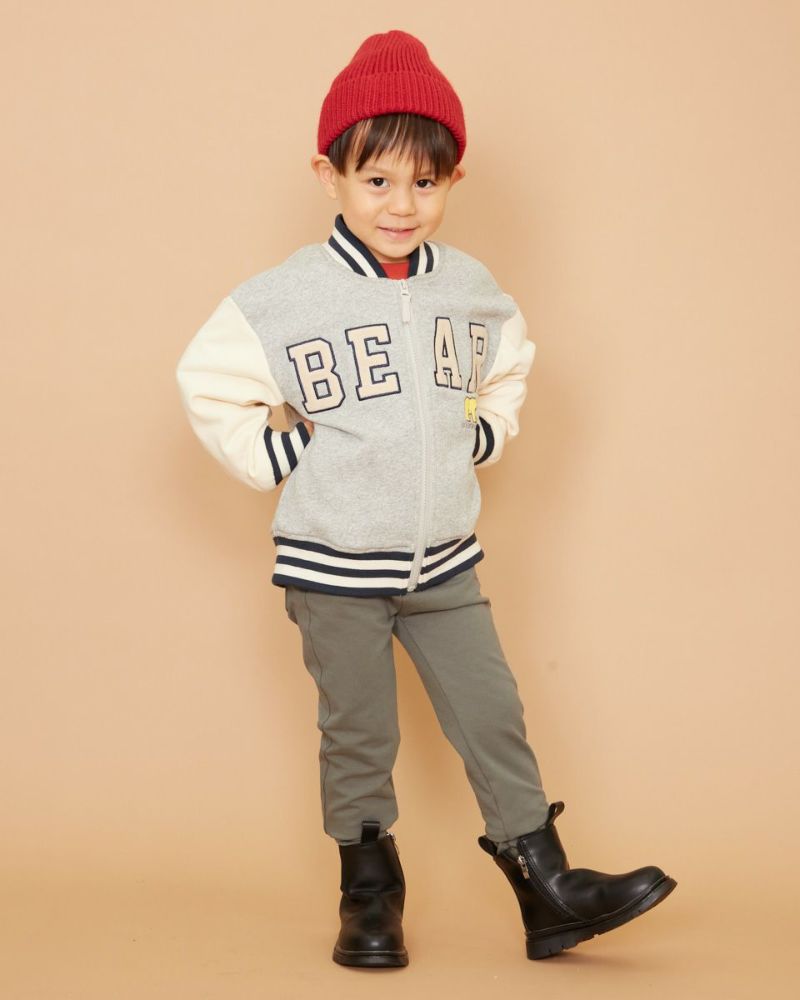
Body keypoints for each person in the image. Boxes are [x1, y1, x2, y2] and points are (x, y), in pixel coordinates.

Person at [175, 29, 677, 969]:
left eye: (425, 183)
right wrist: (280, 452)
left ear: (453, 180)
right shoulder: (285, 297)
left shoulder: (471, 289)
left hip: (444, 561)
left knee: (494, 716)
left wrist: (480, 432)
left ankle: (547, 888)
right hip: (334, 565)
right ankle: (370, 897)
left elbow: (510, 366)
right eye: (376, 181)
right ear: (329, 175)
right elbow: (206, 381)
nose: (401, 205)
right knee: (359, 734)